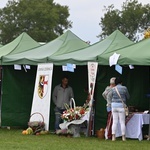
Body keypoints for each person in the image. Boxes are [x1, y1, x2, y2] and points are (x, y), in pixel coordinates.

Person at [107, 77, 130, 141]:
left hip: (114, 106)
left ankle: (113, 136)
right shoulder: (124, 88)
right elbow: (128, 97)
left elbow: (109, 96)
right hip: (121, 106)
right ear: (121, 82)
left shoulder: (113, 89)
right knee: (122, 122)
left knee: (114, 122)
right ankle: (123, 137)